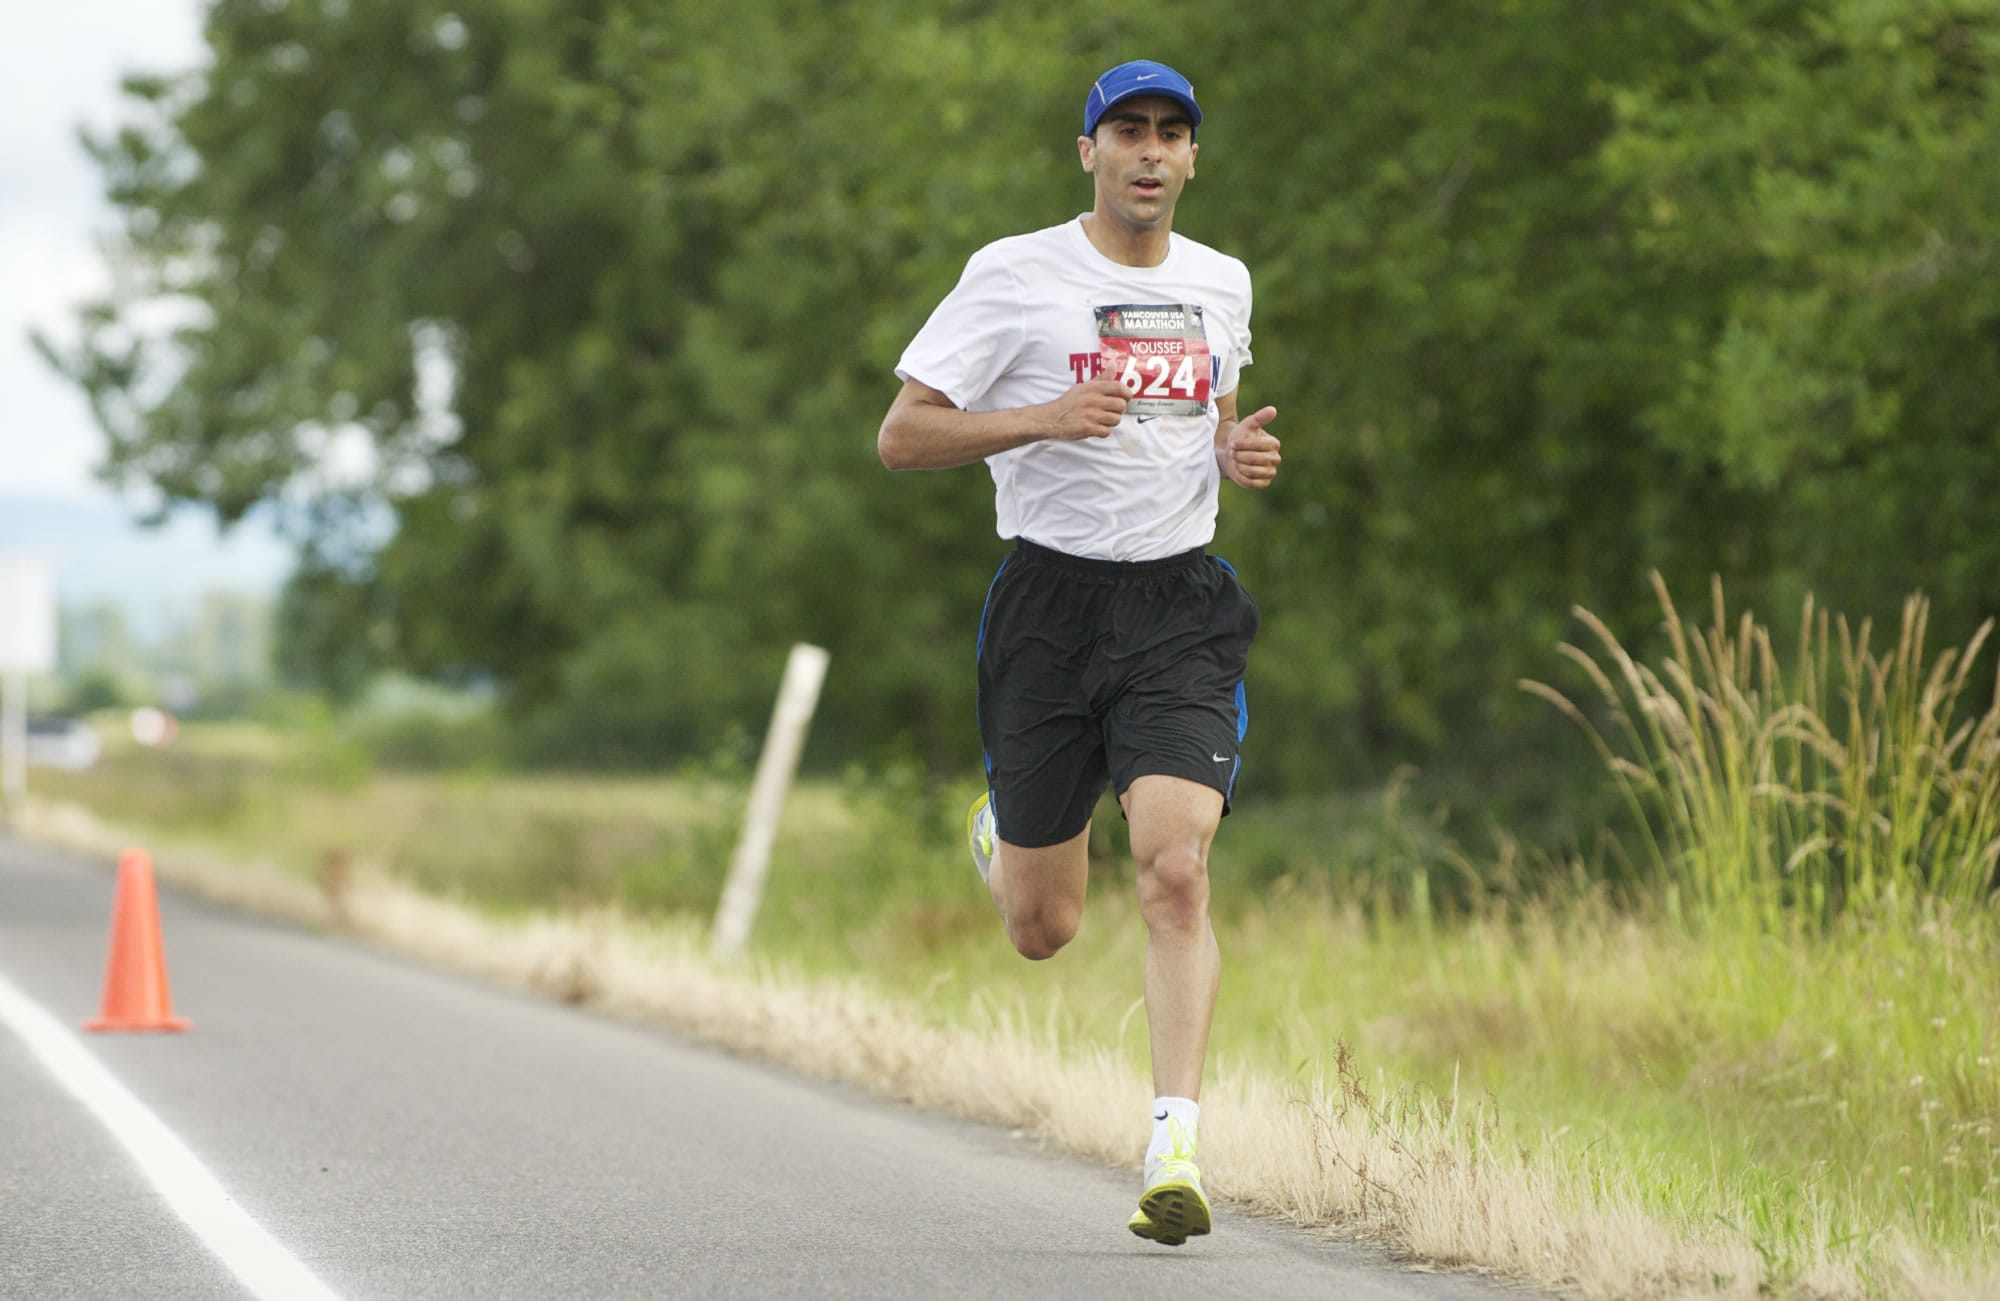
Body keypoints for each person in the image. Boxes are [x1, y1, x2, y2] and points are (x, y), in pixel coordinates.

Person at [877, 58, 1281, 1246]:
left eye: (1171, 134)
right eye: (1127, 132)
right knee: (1042, 927)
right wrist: (1041, 417)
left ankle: (1174, 1144)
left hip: (1177, 611)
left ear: (1193, 158)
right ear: (1087, 151)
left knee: (1172, 868)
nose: (1149, 153)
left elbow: (1197, 430)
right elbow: (903, 437)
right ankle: (1005, 830)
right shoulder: (1013, 274)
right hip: (1047, 610)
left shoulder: (1222, 282)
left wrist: (1231, 455)